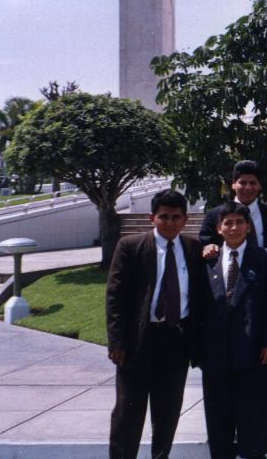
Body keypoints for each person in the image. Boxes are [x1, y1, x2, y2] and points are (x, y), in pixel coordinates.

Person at [106, 189, 205, 459]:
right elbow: (115, 297)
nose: (169, 222)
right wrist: (117, 342)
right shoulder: (131, 247)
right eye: (163, 217)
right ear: (152, 217)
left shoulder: (193, 248)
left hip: (176, 340)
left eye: (176, 217)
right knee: (129, 411)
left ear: (185, 219)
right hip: (139, 342)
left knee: (168, 410)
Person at [199, 160, 267, 440]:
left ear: (260, 186)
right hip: (228, 293)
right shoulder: (216, 214)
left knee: (265, 374)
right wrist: (207, 246)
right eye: (242, 182)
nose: (248, 187)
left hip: (262, 293)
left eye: (253, 182)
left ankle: (266, 426)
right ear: (233, 184)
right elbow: (203, 242)